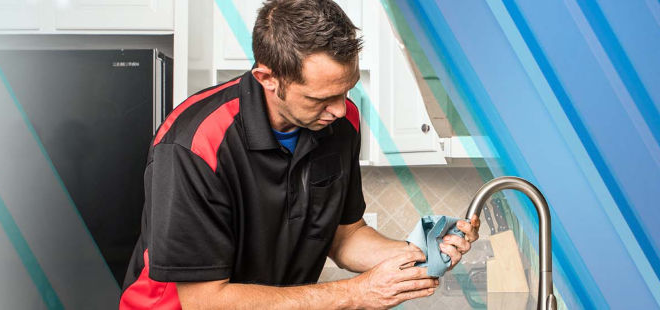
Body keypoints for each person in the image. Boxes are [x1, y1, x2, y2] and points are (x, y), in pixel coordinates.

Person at [118, 0, 478, 309]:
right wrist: (357, 293)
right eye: (320, 98)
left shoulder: (341, 123)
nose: (339, 109)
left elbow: (344, 235)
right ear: (267, 78)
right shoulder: (194, 143)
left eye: (345, 91)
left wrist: (417, 255)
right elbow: (206, 300)